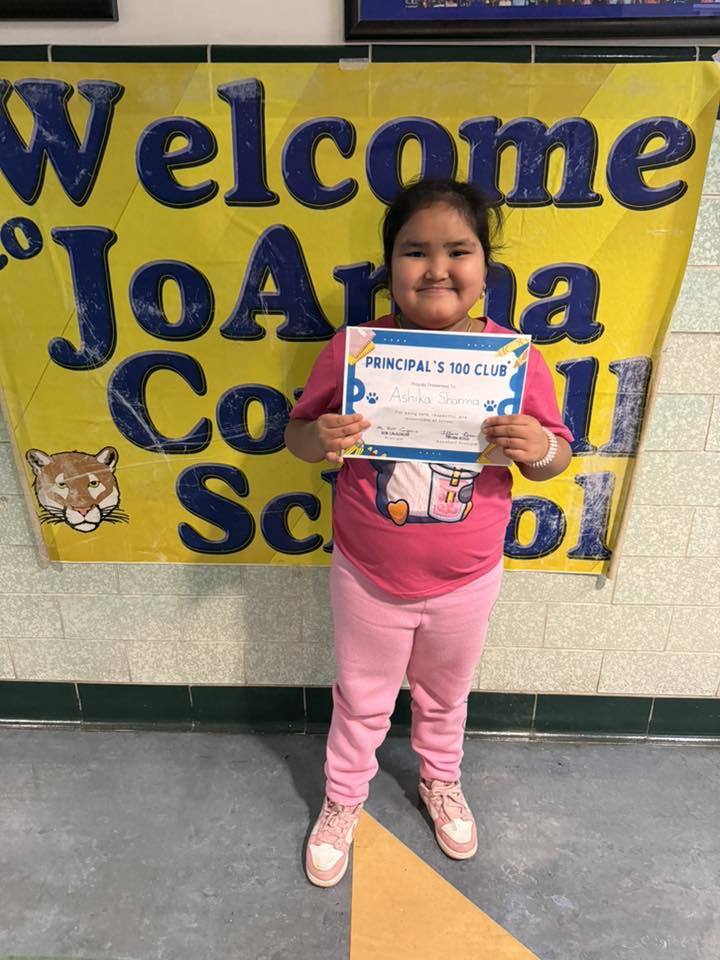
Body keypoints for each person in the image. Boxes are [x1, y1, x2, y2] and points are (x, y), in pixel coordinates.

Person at [285, 178, 574, 888]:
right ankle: (343, 798)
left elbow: (557, 455)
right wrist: (319, 437)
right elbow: (297, 436)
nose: (437, 268)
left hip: (467, 578)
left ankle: (441, 780)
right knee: (361, 698)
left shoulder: (514, 359)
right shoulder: (355, 351)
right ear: (390, 267)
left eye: (458, 250)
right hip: (367, 572)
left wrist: (538, 446)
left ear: (485, 266)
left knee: (445, 697)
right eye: (415, 251)